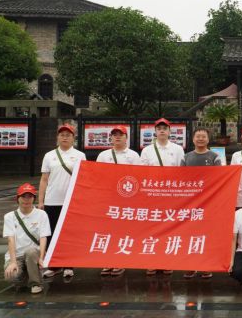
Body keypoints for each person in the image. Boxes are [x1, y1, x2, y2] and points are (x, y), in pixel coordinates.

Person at [38, 123, 86, 279]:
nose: (65, 137)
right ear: (57, 137)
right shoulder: (49, 155)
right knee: (51, 233)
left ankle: (68, 265)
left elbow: (84, 179)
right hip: (52, 200)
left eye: (68, 135)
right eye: (62, 135)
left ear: (73, 138)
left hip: (71, 201)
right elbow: (44, 179)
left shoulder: (80, 155)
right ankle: (54, 264)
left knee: (69, 233)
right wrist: (41, 201)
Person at [140, 118, 185, 276]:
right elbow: (142, 173)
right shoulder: (147, 150)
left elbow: (182, 172)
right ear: (155, 131)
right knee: (152, 229)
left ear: (169, 131)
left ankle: (167, 261)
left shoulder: (178, 149)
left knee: (169, 228)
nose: (162, 131)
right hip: (152, 195)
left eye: (165, 128)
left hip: (171, 195)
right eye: (159, 128)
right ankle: (152, 261)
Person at [96, 125, 141, 276]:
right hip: (108, 198)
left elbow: (139, 177)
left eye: (120, 134)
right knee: (107, 230)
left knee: (123, 231)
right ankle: (107, 260)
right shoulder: (103, 155)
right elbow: (97, 176)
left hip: (126, 199)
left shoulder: (133, 156)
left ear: (126, 137)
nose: (117, 137)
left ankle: (120, 261)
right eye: (114, 134)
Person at [181, 128, 222, 279]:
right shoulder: (186, 157)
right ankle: (190, 265)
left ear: (208, 139)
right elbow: (181, 178)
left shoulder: (215, 157)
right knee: (190, 234)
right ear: (193, 139)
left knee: (206, 235)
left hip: (209, 203)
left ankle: (206, 266)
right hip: (191, 203)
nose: (200, 139)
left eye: (203, 136)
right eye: (197, 136)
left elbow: (220, 178)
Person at [3, 183, 51, 294]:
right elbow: (10, 240)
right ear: (18, 198)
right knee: (11, 276)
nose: (26, 199)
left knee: (30, 252)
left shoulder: (42, 214)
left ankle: (35, 283)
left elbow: (43, 237)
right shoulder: (9, 216)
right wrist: (13, 262)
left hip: (34, 254)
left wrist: (41, 258)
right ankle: (27, 274)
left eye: (30, 196)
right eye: (23, 196)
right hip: (17, 255)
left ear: (34, 198)